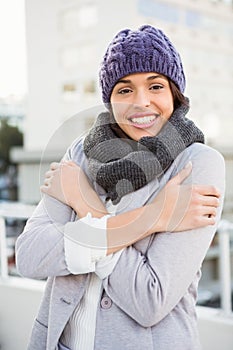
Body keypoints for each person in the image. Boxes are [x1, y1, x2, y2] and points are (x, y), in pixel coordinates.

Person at [16, 25, 225, 350]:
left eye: (155, 86)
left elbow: (149, 299)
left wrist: (87, 205)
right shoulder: (81, 153)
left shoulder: (198, 163)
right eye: (124, 90)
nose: (141, 102)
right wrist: (154, 217)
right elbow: (29, 256)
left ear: (175, 94)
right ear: (110, 100)